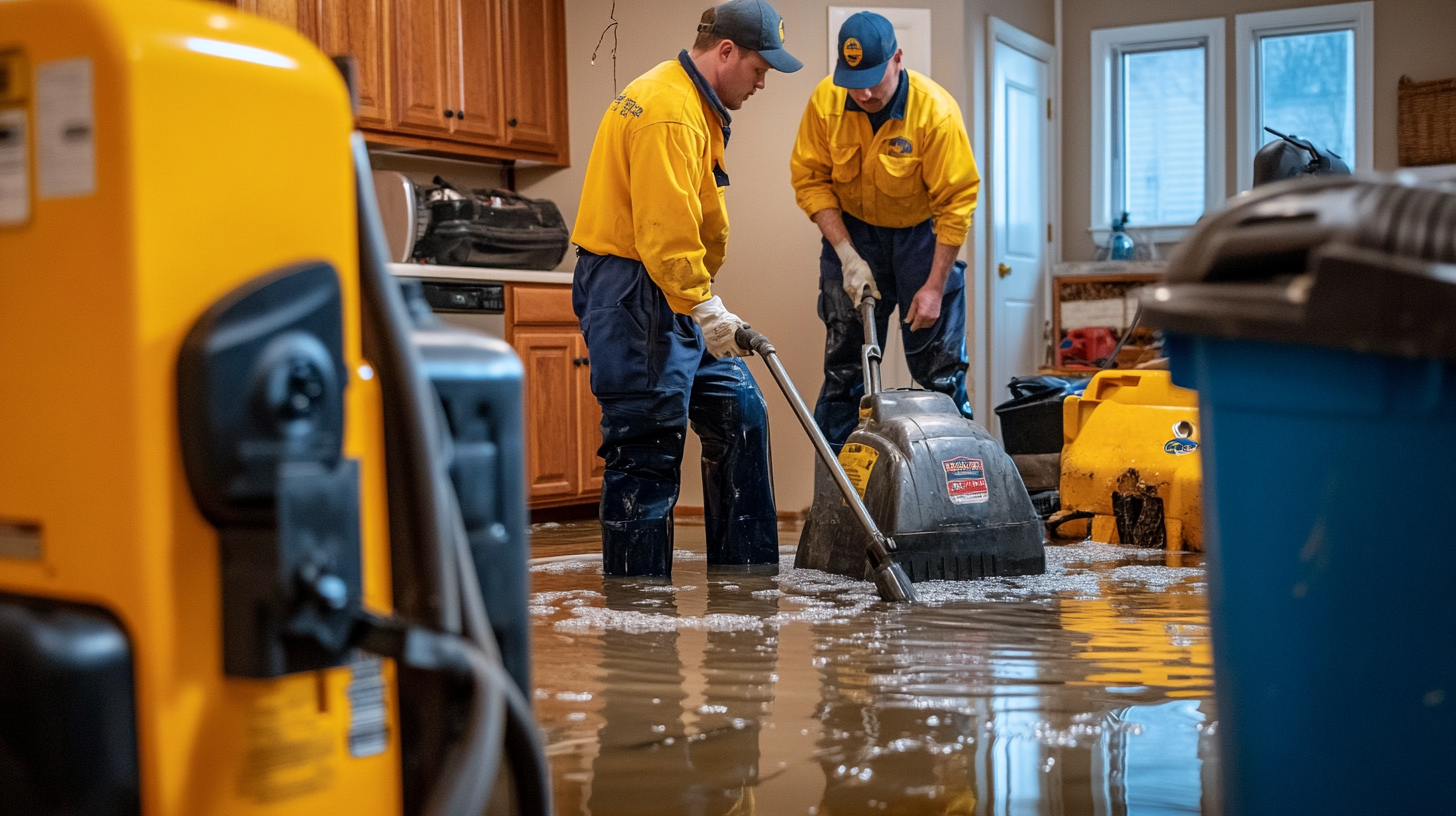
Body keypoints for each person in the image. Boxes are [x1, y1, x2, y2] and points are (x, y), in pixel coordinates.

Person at [571, 0, 802, 577]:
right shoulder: (669, 111)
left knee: (739, 412)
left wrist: (700, 303)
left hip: (669, 291)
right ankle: (638, 606)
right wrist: (706, 307)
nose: (762, 83)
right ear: (726, 51)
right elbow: (664, 233)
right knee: (646, 448)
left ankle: (747, 583)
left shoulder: (689, 100)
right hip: (636, 292)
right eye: (759, 69)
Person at [789, 11, 980, 450]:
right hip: (854, 234)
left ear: (898, 59)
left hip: (921, 239)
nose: (865, 93)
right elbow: (811, 180)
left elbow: (956, 203)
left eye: (874, 79)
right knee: (844, 372)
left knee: (939, 374)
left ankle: (951, 479)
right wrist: (846, 255)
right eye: (854, 82)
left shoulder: (936, 113)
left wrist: (935, 287)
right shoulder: (826, 102)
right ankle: (842, 484)